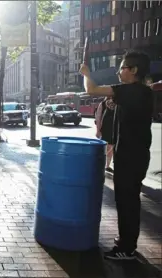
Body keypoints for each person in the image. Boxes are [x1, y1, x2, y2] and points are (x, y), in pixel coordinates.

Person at [80, 50, 153, 260]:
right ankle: (126, 240)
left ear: (134, 70)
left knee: (127, 202)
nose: (119, 72)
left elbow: (92, 89)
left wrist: (86, 73)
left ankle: (126, 248)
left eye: (122, 68)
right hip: (135, 155)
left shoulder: (132, 90)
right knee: (128, 201)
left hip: (130, 158)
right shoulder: (141, 92)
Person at [95, 97, 117, 173]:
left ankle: (107, 166)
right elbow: (98, 118)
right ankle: (105, 165)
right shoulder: (103, 104)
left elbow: (98, 118)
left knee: (112, 147)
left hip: (114, 128)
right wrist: (98, 130)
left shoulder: (119, 103)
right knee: (109, 147)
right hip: (107, 128)